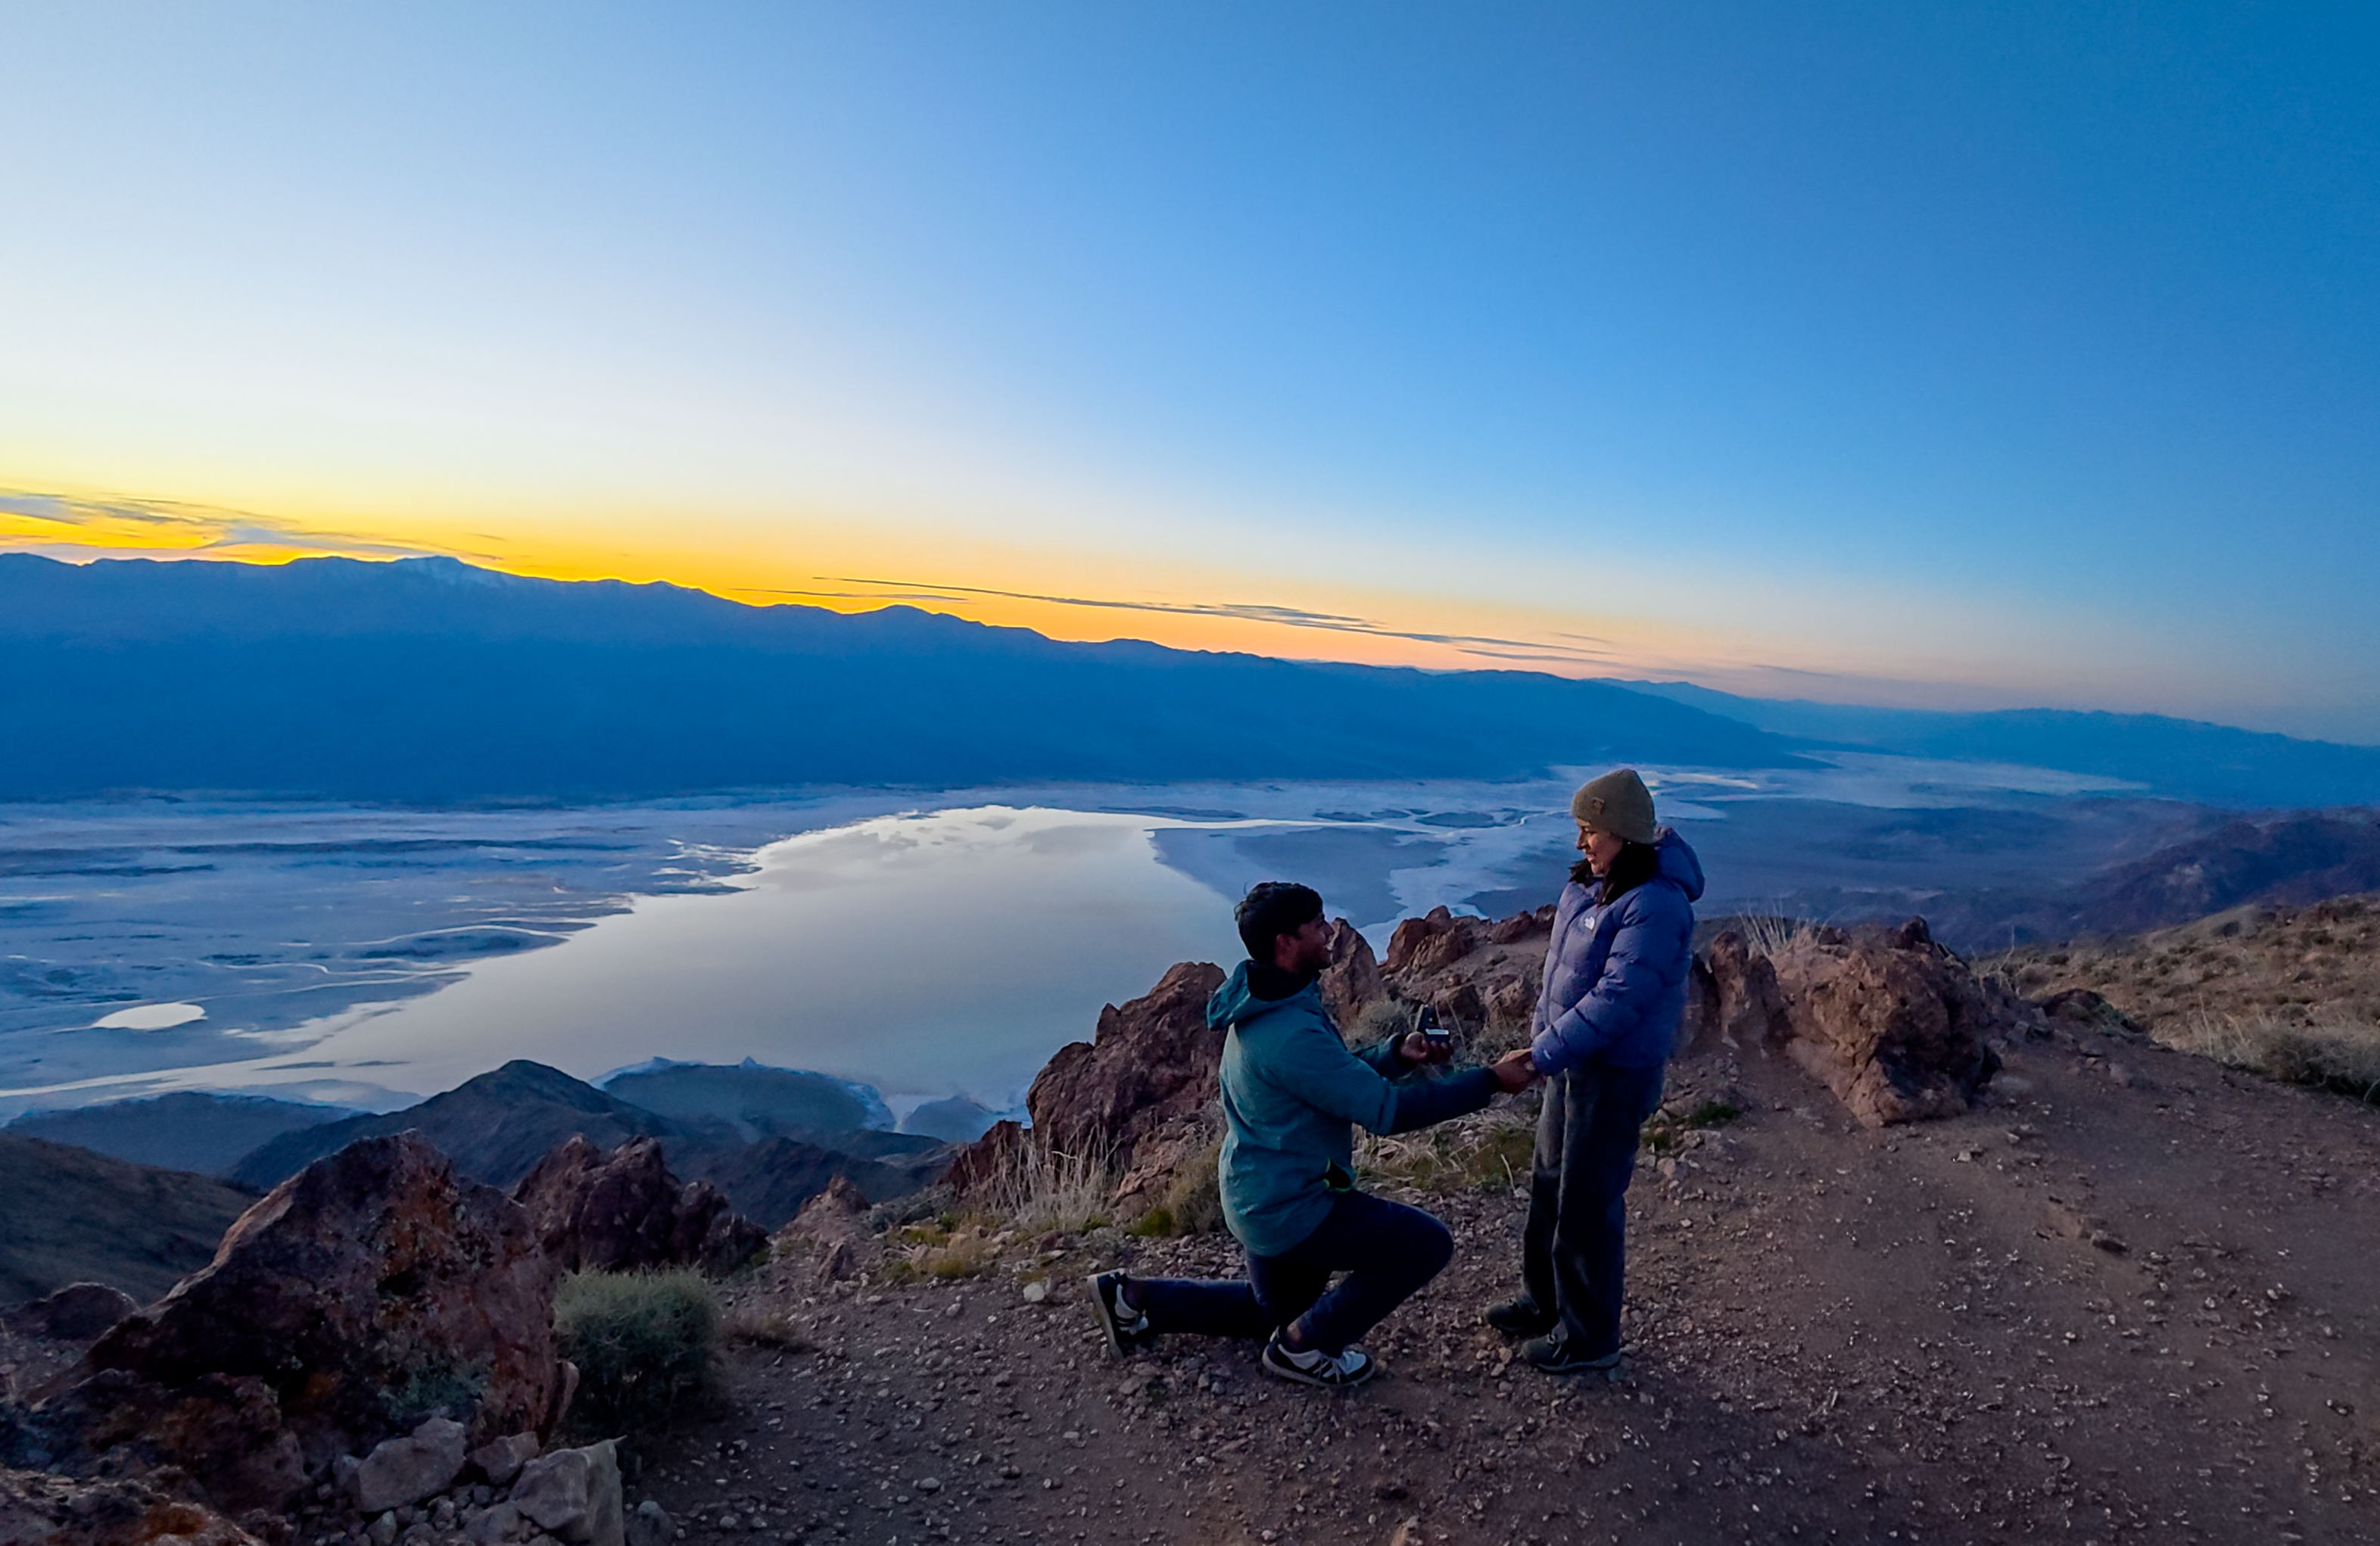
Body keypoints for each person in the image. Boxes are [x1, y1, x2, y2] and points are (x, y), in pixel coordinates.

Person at [1086, 881, 1537, 1388]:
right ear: (1285, 942)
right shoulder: (1289, 1033)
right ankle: (1305, 1351)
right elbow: (1387, 1114)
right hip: (1294, 1206)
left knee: (1273, 1315)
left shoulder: (1269, 1004)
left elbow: (1330, 1078)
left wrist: (1393, 1055)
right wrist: (1491, 1081)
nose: (1329, 932)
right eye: (1317, 925)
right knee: (1426, 1245)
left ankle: (1134, 1298)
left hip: (1259, 1194)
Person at [1487, 767, 1705, 1374]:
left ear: (1624, 834)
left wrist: (1538, 1056)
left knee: (1588, 1203)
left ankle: (1589, 1338)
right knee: (1550, 1183)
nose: (1582, 844)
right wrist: (1545, 1049)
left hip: (1612, 1074)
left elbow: (1615, 1001)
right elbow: (1560, 979)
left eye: (1591, 831)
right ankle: (1544, 1302)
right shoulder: (1588, 888)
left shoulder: (1655, 907)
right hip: (1570, 1065)